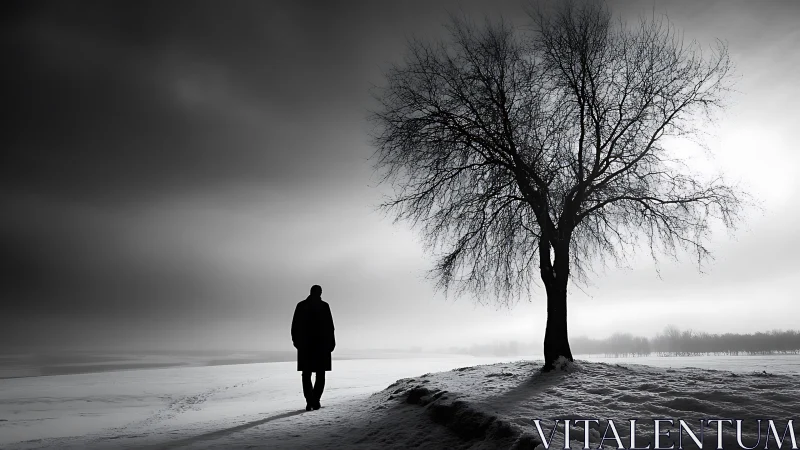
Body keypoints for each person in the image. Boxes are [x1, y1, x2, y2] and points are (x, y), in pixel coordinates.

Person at [291, 284, 335, 411]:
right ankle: (313, 400)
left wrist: (297, 342)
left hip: (314, 346)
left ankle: (312, 400)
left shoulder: (305, 305)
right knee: (313, 374)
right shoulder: (318, 306)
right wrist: (297, 342)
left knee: (310, 374)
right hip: (314, 346)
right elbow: (295, 327)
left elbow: (330, 327)